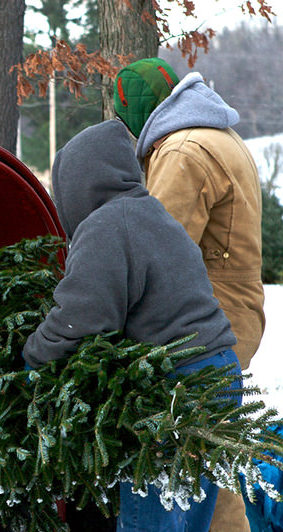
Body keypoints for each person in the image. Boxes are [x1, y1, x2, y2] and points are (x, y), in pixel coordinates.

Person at [21, 120, 241, 532]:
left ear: (79, 182)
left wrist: (31, 357)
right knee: (186, 522)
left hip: (177, 392)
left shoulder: (107, 225)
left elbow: (82, 317)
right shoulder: (150, 213)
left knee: (150, 523)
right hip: (218, 378)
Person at [114, 57, 265, 532]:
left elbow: (159, 249)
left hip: (200, 327)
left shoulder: (183, 152)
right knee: (211, 467)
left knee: (188, 466)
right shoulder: (217, 134)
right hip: (234, 312)